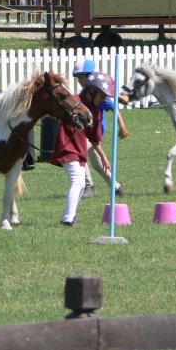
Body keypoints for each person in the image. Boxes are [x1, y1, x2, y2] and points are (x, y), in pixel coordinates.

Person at [48, 75, 110, 226]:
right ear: (91, 91)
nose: (103, 100)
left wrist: (103, 157)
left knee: (81, 184)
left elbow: (94, 139)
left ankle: (70, 217)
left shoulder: (96, 111)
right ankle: (67, 219)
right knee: (77, 182)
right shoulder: (73, 101)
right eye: (102, 95)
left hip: (80, 151)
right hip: (67, 148)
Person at [72, 59, 128, 198]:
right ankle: (117, 188)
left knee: (78, 153)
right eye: (78, 78)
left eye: (82, 77)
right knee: (97, 164)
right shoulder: (86, 95)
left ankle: (88, 186)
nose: (80, 81)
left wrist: (122, 126)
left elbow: (114, 106)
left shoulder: (98, 94)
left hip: (94, 132)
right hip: (86, 132)